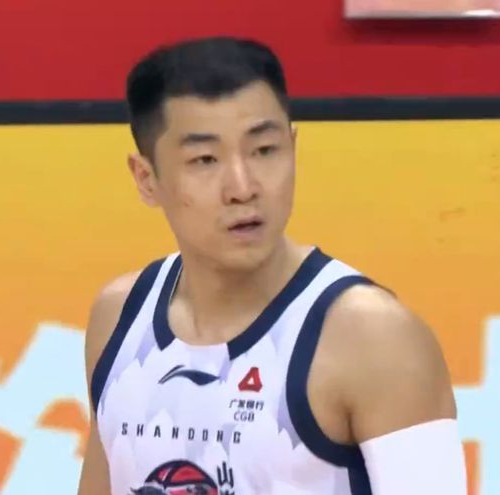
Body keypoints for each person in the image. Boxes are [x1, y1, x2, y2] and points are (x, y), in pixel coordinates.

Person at [78, 36, 467, 495]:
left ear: (293, 146)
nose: (243, 188)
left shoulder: (374, 339)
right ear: (146, 179)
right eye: (205, 160)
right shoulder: (120, 317)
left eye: (264, 150)